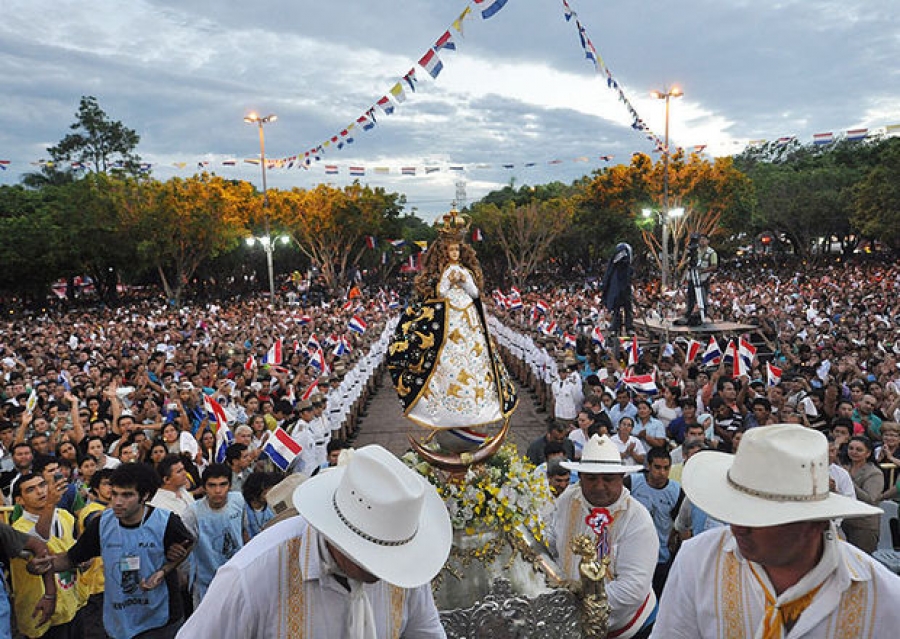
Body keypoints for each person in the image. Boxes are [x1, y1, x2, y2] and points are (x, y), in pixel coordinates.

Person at [176, 444, 451, 638]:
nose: (385, 572)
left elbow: (424, 631)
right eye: (373, 557)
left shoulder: (401, 564)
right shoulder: (251, 576)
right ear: (340, 537)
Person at [652, 424, 900, 638]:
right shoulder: (698, 559)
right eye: (735, 509)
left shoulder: (885, 598)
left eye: (760, 516)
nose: (738, 526)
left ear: (814, 522)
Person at [387, 209, 517, 451]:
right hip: (445, 322)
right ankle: (445, 411)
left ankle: (476, 408)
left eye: (458, 250)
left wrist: (465, 281)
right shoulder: (439, 274)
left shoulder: (466, 271)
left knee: (474, 359)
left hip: (467, 318)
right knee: (445, 363)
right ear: (443, 252)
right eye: (451, 250)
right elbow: (438, 294)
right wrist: (447, 281)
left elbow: (477, 294)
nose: (455, 253)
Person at [29, 463, 195, 639]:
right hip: (118, 620)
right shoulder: (102, 524)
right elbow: (71, 558)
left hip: (160, 621)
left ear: (145, 495)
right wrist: (44, 565)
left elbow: (188, 543)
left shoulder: (166, 522)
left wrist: (167, 568)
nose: (117, 501)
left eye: (127, 495)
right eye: (114, 494)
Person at [551, 434, 658, 639]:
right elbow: (552, 541)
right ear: (580, 478)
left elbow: (632, 588)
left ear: (621, 478)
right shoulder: (567, 499)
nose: (599, 486)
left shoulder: (637, 518)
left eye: (608, 478)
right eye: (591, 478)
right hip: (574, 624)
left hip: (627, 629)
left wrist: (577, 601)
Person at [10, 473, 81, 639]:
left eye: (42, 485)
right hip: (41, 611)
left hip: (71, 605)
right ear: (19, 500)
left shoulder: (65, 516)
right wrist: (50, 503)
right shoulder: (18, 530)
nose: (40, 491)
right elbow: (40, 539)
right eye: (31, 489)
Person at [181, 464, 246, 607]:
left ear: (229, 485)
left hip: (237, 578)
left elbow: (245, 532)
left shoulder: (239, 501)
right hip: (206, 581)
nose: (218, 490)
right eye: (212, 485)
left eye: (223, 485)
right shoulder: (193, 512)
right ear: (204, 487)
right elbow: (185, 546)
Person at [629, 447, 683, 597]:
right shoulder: (632, 483)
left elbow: (681, 523)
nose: (662, 473)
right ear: (648, 466)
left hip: (662, 555)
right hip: (634, 553)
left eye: (666, 468)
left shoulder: (676, 491)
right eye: (657, 467)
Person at [841, 435, 883, 553]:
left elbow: (870, 499)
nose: (854, 452)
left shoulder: (874, 473)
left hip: (864, 526)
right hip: (845, 521)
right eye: (851, 448)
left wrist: (848, 481)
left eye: (859, 450)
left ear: (868, 453)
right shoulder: (844, 467)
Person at [682, 232, 717, 324]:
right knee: (691, 296)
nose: (702, 241)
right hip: (692, 277)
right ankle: (689, 312)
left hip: (703, 278)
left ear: (708, 241)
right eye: (700, 239)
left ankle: (703, 314)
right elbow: (688, 261)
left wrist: (702, 271)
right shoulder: (695, 250)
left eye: (704, 239)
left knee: (702, 296)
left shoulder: (711, 252)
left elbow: (714, 266)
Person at [602, 242, 634, 335]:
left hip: (624, 289)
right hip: (618, 289)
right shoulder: (616, 267)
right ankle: (617, 327)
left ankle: (627, 328)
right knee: (618, 309)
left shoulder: (624, 266)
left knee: (626, 308)